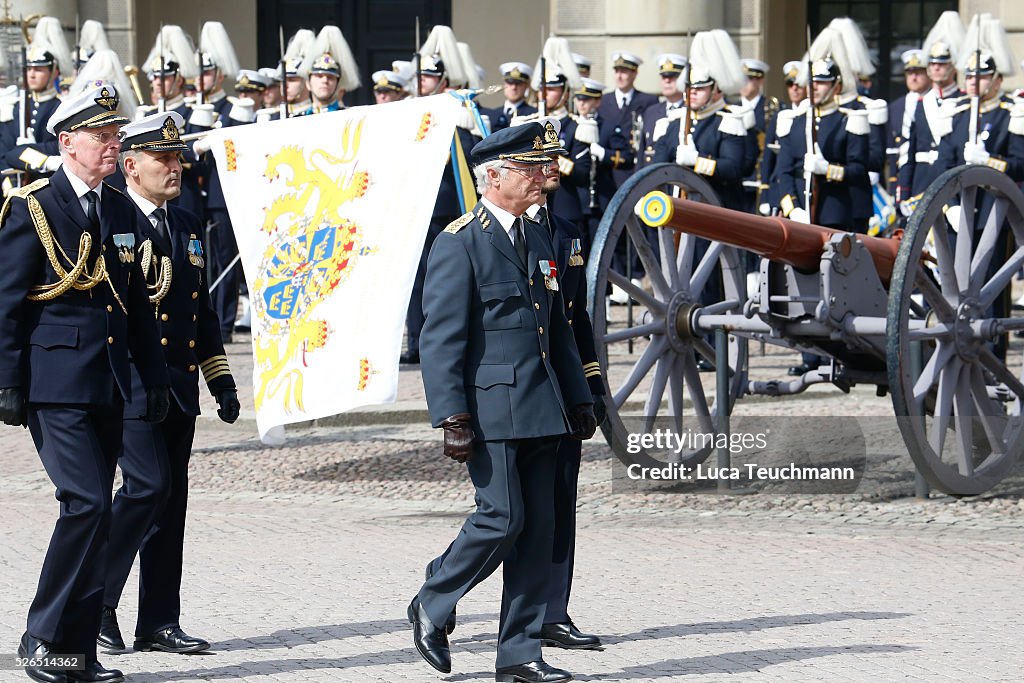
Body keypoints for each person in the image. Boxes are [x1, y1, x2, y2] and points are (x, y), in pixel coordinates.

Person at [409, 122, 596, 683]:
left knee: (538, 529)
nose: (545, 178)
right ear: (493, 176)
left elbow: (558, 331)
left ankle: (518, 654)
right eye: (530, 170)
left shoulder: (541, 237)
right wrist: (451, 415)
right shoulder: (459, 240)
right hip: (490, 409)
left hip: (545, 405)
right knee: (502, 518)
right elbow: (439, 337)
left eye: (543, 168)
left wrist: (580, 397)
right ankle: (433, 598)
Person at [0, 83, 169, 683]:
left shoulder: (119, 208)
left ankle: (76, 651)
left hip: (110, 381)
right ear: (67, 142)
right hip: (54, 381)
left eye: (114, 135)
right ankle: (40, 636)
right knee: (88, 501)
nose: (111, 145)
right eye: (100, 136)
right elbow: (6, 301)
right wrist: (7, 381)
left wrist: (152, 381)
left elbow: (137, 306)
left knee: (99, 513)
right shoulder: (34, 206)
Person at [97, 111, 239, 657]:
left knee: (169, 504)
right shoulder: (109, 218)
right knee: (145, 488)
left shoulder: (183, 225)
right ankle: (97, 603)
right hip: (131, 385)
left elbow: (198, 311)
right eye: (162, 158)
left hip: (179, 386)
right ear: (130, 165)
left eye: (178, 158)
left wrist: (219, 378)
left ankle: (157, 620)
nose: (174, 167)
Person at [523, 122, 606, 652]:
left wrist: (591, 387)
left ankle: (553, 611)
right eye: (544, 160)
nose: (555, 166)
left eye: (556, 158)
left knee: (559, 504)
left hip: (563, 388)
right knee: (507, 516)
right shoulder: (490, 232)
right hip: (518, 392)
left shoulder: (568, 227)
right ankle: (442, 592)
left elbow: (577, 321)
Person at [886, 50, 931, 193]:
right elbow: (892, 149)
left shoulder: (935, 104)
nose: (914, 77)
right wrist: (894, 182)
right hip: (902, 177)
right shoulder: (895, 107)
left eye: (918, 73)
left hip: (926, 175)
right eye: (910, 73)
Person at [296, 25, 360, 115]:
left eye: (330, 77)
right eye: (319, 76)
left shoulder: (349, 116)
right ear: (308, 83)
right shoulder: (297, 118)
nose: (325, 80)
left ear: (338, 84)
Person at [640, 54, 686, 166]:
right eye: (663, 77)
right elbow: (642, 152)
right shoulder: (651, 112)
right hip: (654, 177)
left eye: (673, 77)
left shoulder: (689, 111)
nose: (667, 81)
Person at [483, 62, 537, 131]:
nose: (514, 87)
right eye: (510, 82)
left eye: (518, 83)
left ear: (526, 86)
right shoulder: (494, 113)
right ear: (504, 84)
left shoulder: (533, 114)